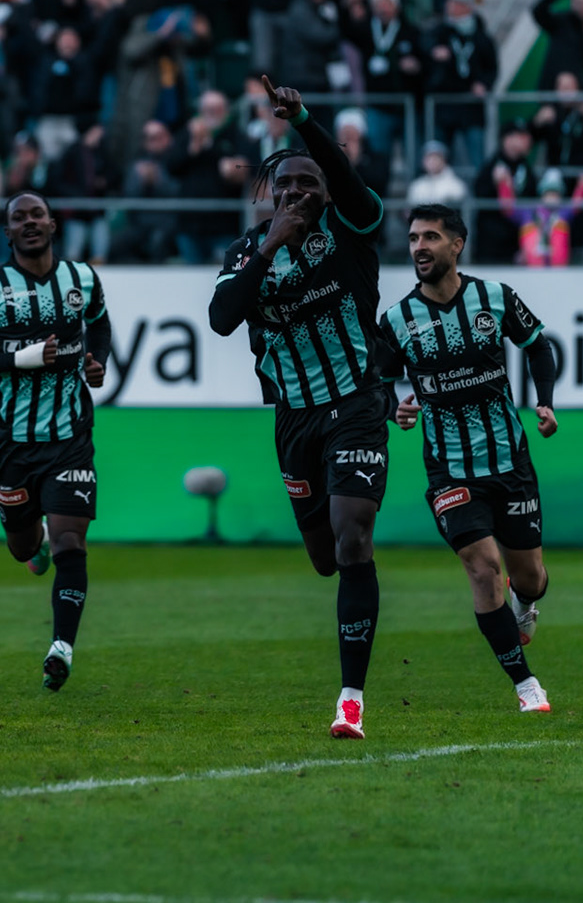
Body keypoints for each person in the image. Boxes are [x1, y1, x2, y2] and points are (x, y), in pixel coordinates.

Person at [209, 76, 388, 741]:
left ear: (327, 190)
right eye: (284, 186)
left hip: (356, 403)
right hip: (293, 418)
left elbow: (349, 183)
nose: (295, 193)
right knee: (323, 557)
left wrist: (305, 122)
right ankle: (347, 591)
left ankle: (350, 700)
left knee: (352, 534)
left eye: (308, 184)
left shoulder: (352, 227)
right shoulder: (247, 250)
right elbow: (222, 318)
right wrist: (271, 244)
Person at [376, 205, 557, 714]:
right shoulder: (396, 320)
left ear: (457, 245)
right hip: (449, 469)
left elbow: (538, 347)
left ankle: (525, 601)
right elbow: (379, 381)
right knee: (482, 567)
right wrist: (394, 408)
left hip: (510, 461)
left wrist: (545, 402)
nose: (420, 247)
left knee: (530, 577)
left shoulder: (495, 297)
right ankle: (525, 684)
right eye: (414, 238)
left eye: (431, 237)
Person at [0, 192, 112, 692]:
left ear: (52, 223)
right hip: (15, 443)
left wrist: (98, 362)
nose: (29, 222)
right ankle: (33, 542)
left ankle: (61, 647)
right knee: (22, 546)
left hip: (70, 437)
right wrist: (21, 359)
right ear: (7, 233)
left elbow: (100, 324)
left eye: (36, 214)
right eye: (18, 217)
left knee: (72, 542)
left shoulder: (82, 278)